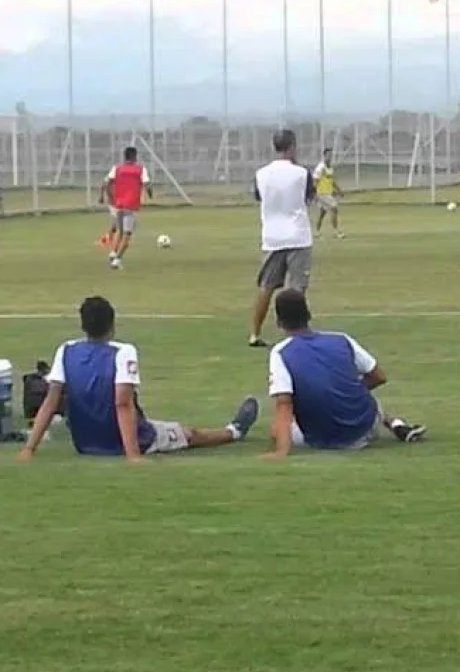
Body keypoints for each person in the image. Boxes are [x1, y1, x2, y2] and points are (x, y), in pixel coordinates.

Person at [19, 296, 259, 463]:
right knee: (189, 434)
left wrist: (30, 448)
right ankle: (234, 431)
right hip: (126, 439)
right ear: (112, 324)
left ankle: (232, 430)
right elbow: (122, 404)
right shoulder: (123, 352)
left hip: (85, 442)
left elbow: (51, 402)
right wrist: (133, 454)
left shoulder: (66, 350)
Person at [263, 288, 426, 460]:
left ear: (279, 321)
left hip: (323, 438)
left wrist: (281, 451)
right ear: (308, 314)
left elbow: (284, 404)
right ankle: (395, 423)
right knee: (363, 394)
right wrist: (345, 389)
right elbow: (379, 376)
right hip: (367, 428)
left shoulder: (280, 352)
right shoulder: (342, 339)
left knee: (277, 429)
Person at [249, 129, 315, 348]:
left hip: (272, 237)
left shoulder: (261, 174)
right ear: (293, 146)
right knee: (297, 289)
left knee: (266, 287)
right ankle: (297, 334)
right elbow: (309, 197)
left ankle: (254, 333)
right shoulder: (302, 172)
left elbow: (259, 197)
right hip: (298, 236)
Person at [99, 146, 153, 270]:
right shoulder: (140, 169)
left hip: (118, 204)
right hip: (131, 205)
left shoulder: (116, 168)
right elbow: (147, 184)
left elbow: (106, 182)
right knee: (127, 234)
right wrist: (150, 193)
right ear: (135, 156)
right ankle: (117, 260)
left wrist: (108, 196)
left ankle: (113, 253)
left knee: (119, 230)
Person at [313, 148, 344, 238]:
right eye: (328, 155)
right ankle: (337, 232)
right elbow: (315, 180)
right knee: (334, 208)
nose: (330, 157)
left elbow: (332, 181)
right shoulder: (320, 167)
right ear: (324, 155)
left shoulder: (330, 167)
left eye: (331, 155)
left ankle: (316, 232)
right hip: (322, 194)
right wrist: (314, 194)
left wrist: (339, 190)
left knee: (322, 213)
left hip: (328, 193)